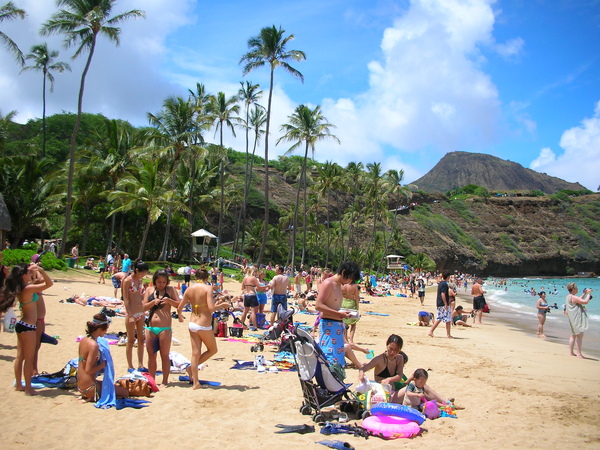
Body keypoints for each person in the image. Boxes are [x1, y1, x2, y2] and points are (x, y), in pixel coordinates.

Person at [0, 263, 53, 395]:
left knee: (20, 357)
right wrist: (41, 270)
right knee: (28, 359)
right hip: (29, 326)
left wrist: (33, 274)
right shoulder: (28, 289)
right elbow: (49, 284)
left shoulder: (22, 288)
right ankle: (28, 388)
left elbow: (38, 282)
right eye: (28, 273)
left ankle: (19, 384)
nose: (30, 274)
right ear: (23, 275)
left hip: (22, 325)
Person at [177, 268, 229, 390]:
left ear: (196, 278)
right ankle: (191, 370)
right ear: (206, 278)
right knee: (212, 350)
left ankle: (195, 382)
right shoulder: (208, 288)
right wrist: (221, 305)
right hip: (203, 325)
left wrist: (180, 316)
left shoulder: (190, 289)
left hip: (192, 323)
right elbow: (211, 308)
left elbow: (180, 306)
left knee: (195, 353)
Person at [315, 262, 361, 366]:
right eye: (350, 278)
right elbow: (318, 305)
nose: (350, 282)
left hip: (337, 326)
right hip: (329, 326)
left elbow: (333, 305)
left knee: (337, 360)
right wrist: (339, 314)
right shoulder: (328, 283)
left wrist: (342, 313)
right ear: (344, 272)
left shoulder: (339, 285)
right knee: (330, 359)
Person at [78, 312, 129, 402]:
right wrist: (103, 364)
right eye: (106, 329)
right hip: (90, 387)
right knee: (125, 393)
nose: (106, 332)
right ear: (101, 328)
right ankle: (92, 396)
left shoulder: (84, 340)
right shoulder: (94, 345)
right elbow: (88, 370)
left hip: (81, 386)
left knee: (116, 388)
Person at [143, 269, 180, 387]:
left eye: (164, 282)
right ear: (154, 281)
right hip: (151, 327)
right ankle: (152, 379)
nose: (161, 284)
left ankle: (165, 380)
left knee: (164, 355)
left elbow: (179, 304)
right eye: (159, 282)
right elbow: (143, 307)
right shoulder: (149, 290)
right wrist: (153, 302)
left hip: (165, 327)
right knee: (151, 355)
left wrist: (169, 300)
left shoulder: (170, 290)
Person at [122, 260, 149, 371]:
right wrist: (130, 314)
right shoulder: (127, 281)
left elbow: (139, 296)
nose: (143, 275)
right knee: (131, 340)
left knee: (141, 339)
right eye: (142, 273)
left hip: (140, 312)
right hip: (131, 313)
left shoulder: (139, 280)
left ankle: (140, 364)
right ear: (136, 270)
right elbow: (126, 299)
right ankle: (130, 365)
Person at [565, 282, 592, 358]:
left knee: (573, 335)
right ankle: (579, 353)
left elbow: (578, 299)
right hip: (576, 318)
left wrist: (584, 294)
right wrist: (588, 294)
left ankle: (571, 352)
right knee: (579, 335)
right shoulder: (573, 297)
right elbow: (585, 302)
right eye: (576, 288)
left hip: (572, 318)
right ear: (573, 289)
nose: (577, 289)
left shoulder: (569, 296)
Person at [428, 271, 453, 339]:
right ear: (448, 277)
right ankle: (448, 334)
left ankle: (431, 331)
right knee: (447, 319)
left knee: (439, 318)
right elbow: (443, 294)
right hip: (443, 304)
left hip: (439, 303)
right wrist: (445, 304)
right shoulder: (444, 284)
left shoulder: (441, 283)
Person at [240, 267, 266, 331]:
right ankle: (254, 326)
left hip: (246, 295)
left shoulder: (245, 278)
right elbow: (259, 287)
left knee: (245, 311)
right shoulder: (253, 278)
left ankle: (241, 324)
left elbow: (242, 288)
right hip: (252, 295)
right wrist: (267, 286)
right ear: (253, 272)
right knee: (254, 312)